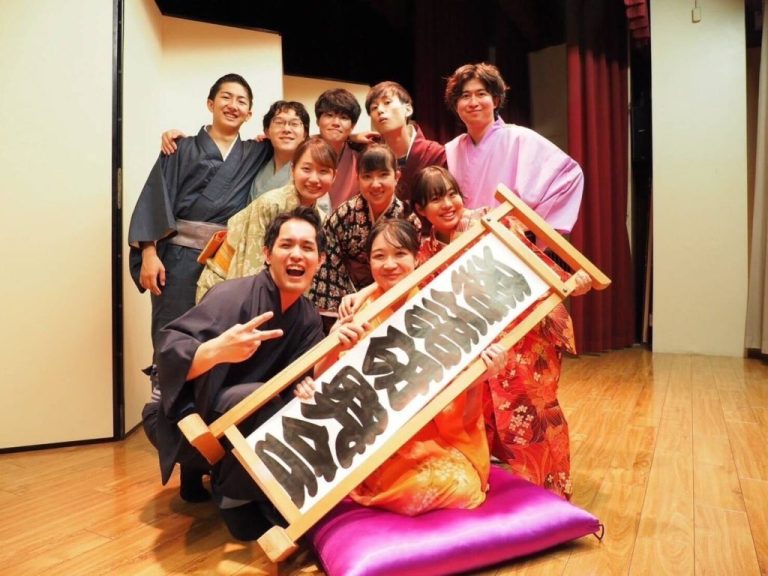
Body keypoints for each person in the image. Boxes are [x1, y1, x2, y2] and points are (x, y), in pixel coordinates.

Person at [296, 219, 507, 515]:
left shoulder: (439, 306)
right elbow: (330, 383)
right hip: (376, 439)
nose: (389, 264)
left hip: (432, 435)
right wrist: (334, 344)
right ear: (368, 262)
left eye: (400, 254)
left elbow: (455, 385)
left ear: (417, 257)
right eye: (379, 256)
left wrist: (482, 374)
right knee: (417, 486)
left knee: (460, 486)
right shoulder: (358, 312)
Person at [129, 73, 272, 501]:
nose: (233, 105)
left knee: (217, 354)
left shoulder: (256, 152)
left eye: (241, 100)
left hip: (225, 265)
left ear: (250, 112)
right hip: (176, 261)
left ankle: (213, 459)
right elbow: (155, 199)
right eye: (226, 97)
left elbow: (300, 144)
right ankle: (184, 465)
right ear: (210, 103)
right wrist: (149, 252)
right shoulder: (180, 148)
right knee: (175, 353)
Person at [411, 166, 592, 499]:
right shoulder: (424, 255)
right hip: (472, 353)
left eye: (452, 194)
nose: (448, 204)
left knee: (535, 420)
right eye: (436, 199)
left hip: (521, 341)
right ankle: (499, 498)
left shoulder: (492, 226)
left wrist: (569, 281)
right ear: (420, 209)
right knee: (480, 426)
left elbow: (535, 263)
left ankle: (551, 500)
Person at [155, 206, 327, 540]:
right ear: (267, 254)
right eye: (286, 245)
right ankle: (235, 496)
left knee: (289, 406)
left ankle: (233, 477)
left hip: (238, 410)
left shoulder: (308, 317)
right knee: (260, 400)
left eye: (307, 247)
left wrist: (307, 381)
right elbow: (169, 349)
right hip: (187, 410)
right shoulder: (233, 296)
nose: (297, 254)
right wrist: (215, 351)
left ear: (320, 261)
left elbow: (300, 373)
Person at [443, 62, 584, 235]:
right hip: (466, 241)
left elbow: (569, 175)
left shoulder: (519, 138)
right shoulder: (453, 149)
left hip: (509, 239)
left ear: (495, 101)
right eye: (465, 96)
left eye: (481, 94)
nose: (473, 102)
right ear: (456, 105)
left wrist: (528, 226)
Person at [195, 136, 335, 301]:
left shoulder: (322, 219)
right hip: (225, 286)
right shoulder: (269, 205)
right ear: (293, 169)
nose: (314, 179)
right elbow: (251, 267)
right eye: (306, 169)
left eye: (323, 171)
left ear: (334, 176)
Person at [309, 143, 420, 328]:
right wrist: (348, 306)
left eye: (383, 175)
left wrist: (368, 292)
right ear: (358, 179)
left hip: (395, 295)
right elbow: (329, 266)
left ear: (396, 177)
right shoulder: (344, 214)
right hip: (346, 300)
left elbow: (412, 267)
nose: (375, 184)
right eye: (367, 176)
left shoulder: (408, 218)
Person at [365, 81, 446, 209]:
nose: (380, 110)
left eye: (387, 102)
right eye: (374, 108)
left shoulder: (435, 153)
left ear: (408, 109)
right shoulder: (368, 155)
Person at [249, 100, 310, 200]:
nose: (286, 129)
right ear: (267, 132)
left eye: (294, 124)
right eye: (279, 122)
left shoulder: (311, 171)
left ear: (305, 134)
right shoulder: (256, 166)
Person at [313, 88, 362, 212]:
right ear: (318, 121)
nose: (336, 122)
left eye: (344, 117)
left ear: (353, 126)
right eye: (329, 115)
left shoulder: (360, 160)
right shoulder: (302, 153)